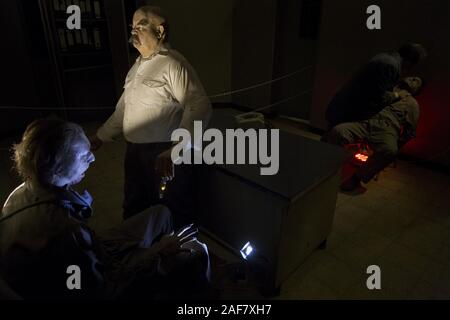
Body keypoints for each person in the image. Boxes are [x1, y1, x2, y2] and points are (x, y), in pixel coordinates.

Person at [0, 118, 210, 299]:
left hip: (89, 256)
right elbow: (103, 291)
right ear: (58, 166)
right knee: (197, 251)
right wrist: (158, 253)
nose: (92, 158)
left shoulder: (18, 194)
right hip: (99, 278)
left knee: (161, 213)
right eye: (84, 156)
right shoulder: (67, 231)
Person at [89, 6, 212, 226]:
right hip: (134, 152)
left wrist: (176, 149)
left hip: (163, 152)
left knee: (172, 206)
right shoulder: (136, 68)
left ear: (160, 31)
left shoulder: (174, 64)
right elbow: (123, 110)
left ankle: (180, 254)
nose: (133, 32)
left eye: (141, 26)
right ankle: (137, 252)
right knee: (135, 205)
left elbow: (199, 106)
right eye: (132, 27)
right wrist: (99, 136)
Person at [324, 77, 423, 191]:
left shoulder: (413, 104)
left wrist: (398, 143)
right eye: (412, 77)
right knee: (339, 131)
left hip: (387, 128)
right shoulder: (387, 90)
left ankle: (356, 178)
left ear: (417, 90)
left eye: (416, 81)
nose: (412, 80)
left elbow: (410, 131)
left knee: (389, 151)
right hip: (367, 121)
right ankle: (329, 168)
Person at [325, 43, 427, 128]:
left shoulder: (386, 58)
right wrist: (396, 95)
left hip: (345, 109)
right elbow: (377, 97)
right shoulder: (390, 65)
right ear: (410, 62)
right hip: (347, 111)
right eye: (414, 65)